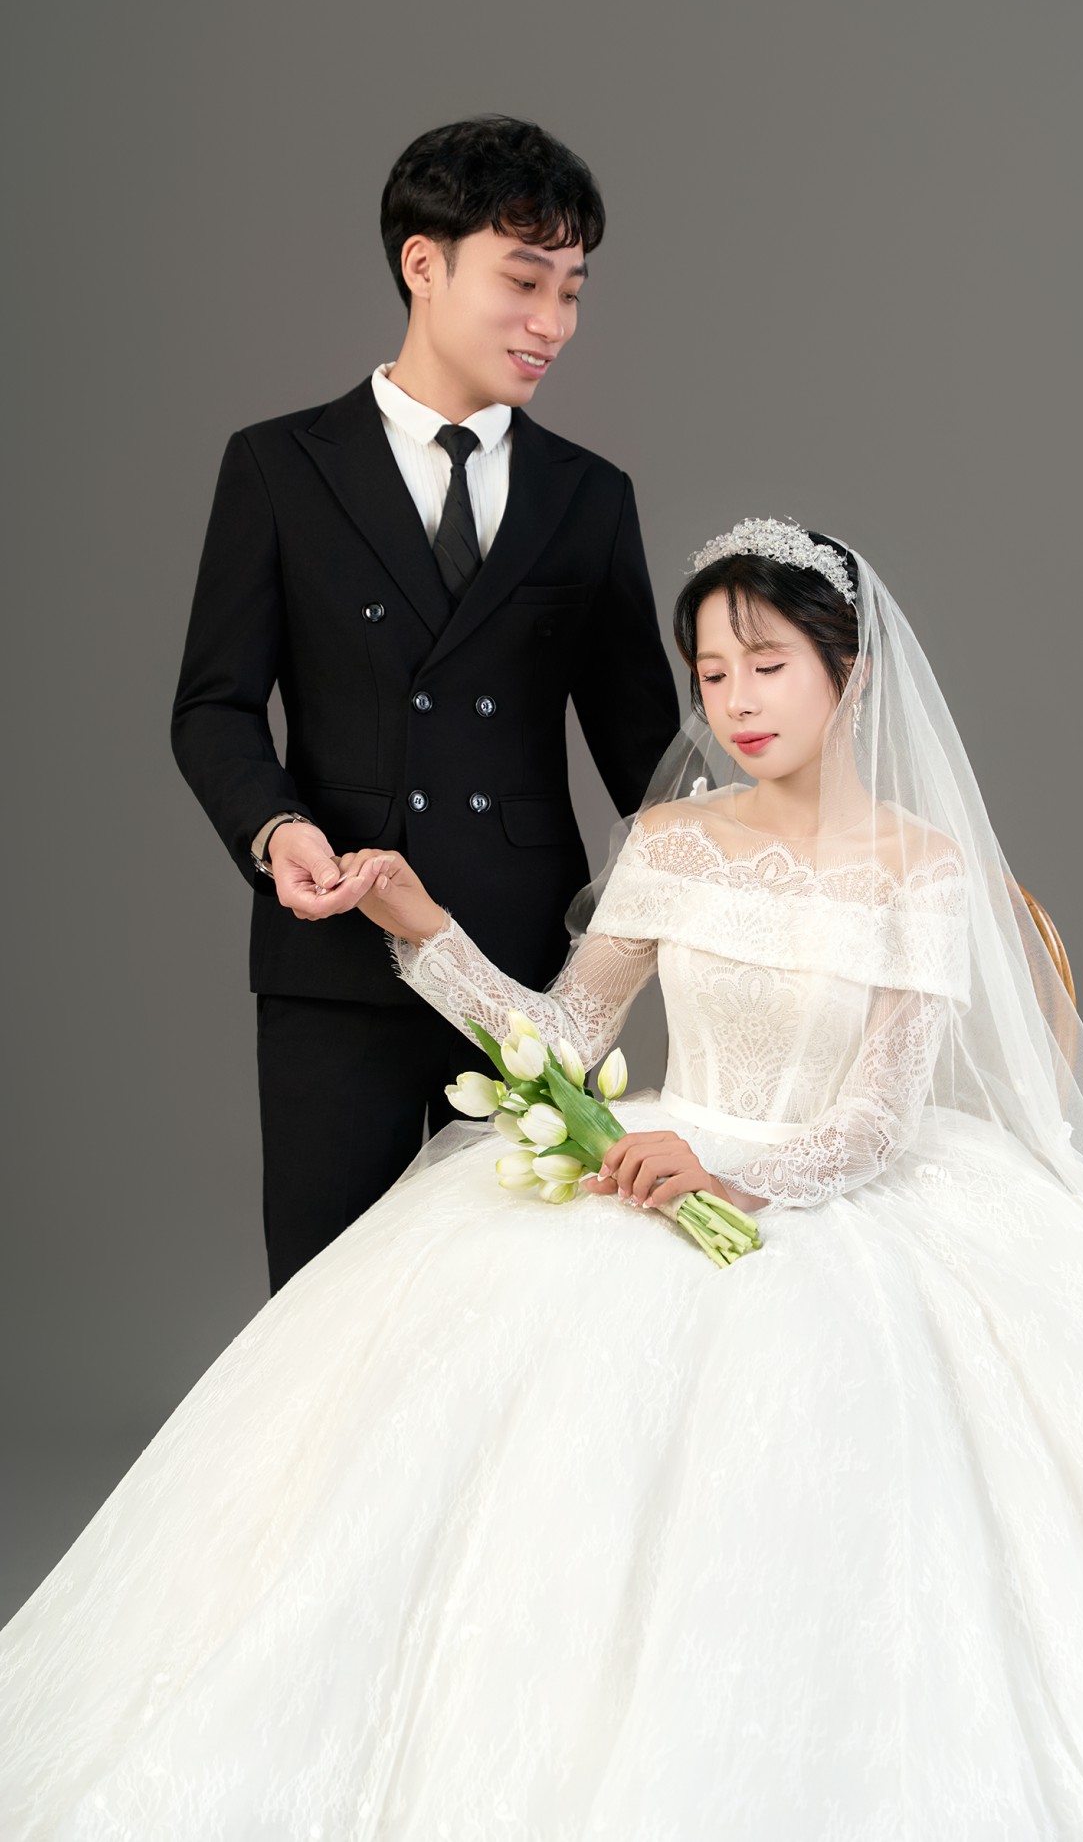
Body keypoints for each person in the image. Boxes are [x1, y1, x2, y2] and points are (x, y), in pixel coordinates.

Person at [0, 522, 1083, 1838]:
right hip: (649, 1164)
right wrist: (421, 926)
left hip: (814, 1191)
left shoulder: (919, 870)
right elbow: (561, 1040)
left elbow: (880, 1120)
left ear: (850, 672)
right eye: (711, 671)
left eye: (768, 664)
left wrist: (732, 1169)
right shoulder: (675, 840)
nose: (735, 701)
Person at [170, 114, 679, 1292]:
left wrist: (804, 864)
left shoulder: (588, 496)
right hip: (333, 960)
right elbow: (214, 705)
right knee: (325, 1303)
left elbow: (652, 762)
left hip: (521, 978)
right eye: (523, 281)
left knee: (512, 1312)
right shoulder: (280, 468)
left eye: (572, 290)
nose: (553, 322)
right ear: (423, 264)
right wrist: (277, 830)